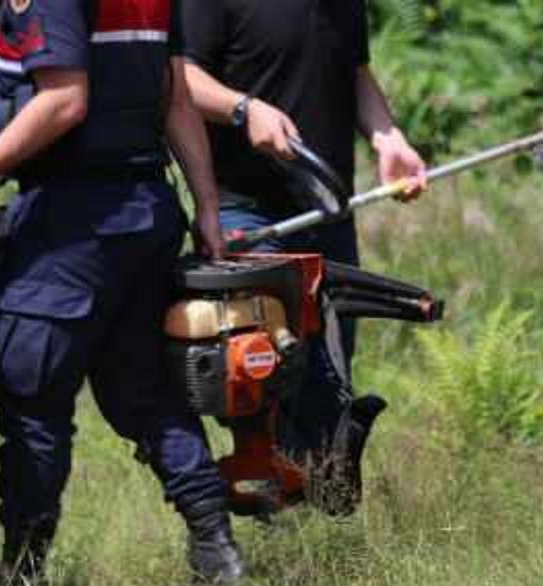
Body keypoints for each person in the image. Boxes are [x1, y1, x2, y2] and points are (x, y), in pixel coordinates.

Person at [0, 0, 245, 586]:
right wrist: (208, 208)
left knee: (30, 392)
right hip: (145, 211)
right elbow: (175, 98)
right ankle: (216, 548)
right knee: (144, 390)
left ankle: (22, 574)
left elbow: (65, 100)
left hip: (73, 223)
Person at [180, 0, 429, 459]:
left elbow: (356, 73)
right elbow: (180, 79)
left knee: (329, 381)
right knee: (262, 375)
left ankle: (319, 491)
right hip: (249, 214)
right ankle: (265, 487)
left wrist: (387, 137)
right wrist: (243, 108)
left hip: (328, 213)